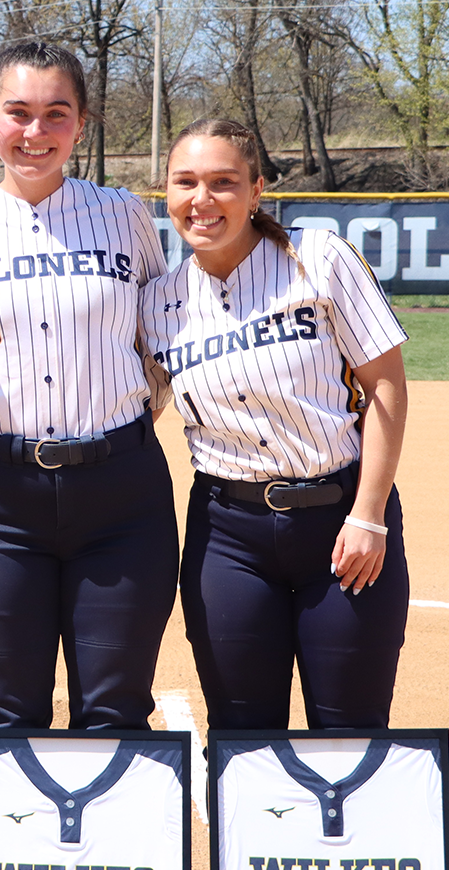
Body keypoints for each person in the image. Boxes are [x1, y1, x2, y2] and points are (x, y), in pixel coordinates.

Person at [0, 41, 176, 730]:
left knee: (116, 709)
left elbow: (158, 336)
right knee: (3, 710)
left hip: (122, 494)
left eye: (56, 113)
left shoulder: (123, 213)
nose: (36, 131)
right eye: (18, 112)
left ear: (81, 123)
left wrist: (116, 421)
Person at [140, 118, 410, 729]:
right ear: (166, 192)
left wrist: (369, 514)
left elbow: (385, 387)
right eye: (185, 182)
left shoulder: (319, 258)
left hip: (341, 522)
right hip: (227, 536)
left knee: (350, 733)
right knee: (243, 738)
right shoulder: (157, 303)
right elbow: (135, 404)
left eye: (223, 182)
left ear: (256, 189)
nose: (202, 199)